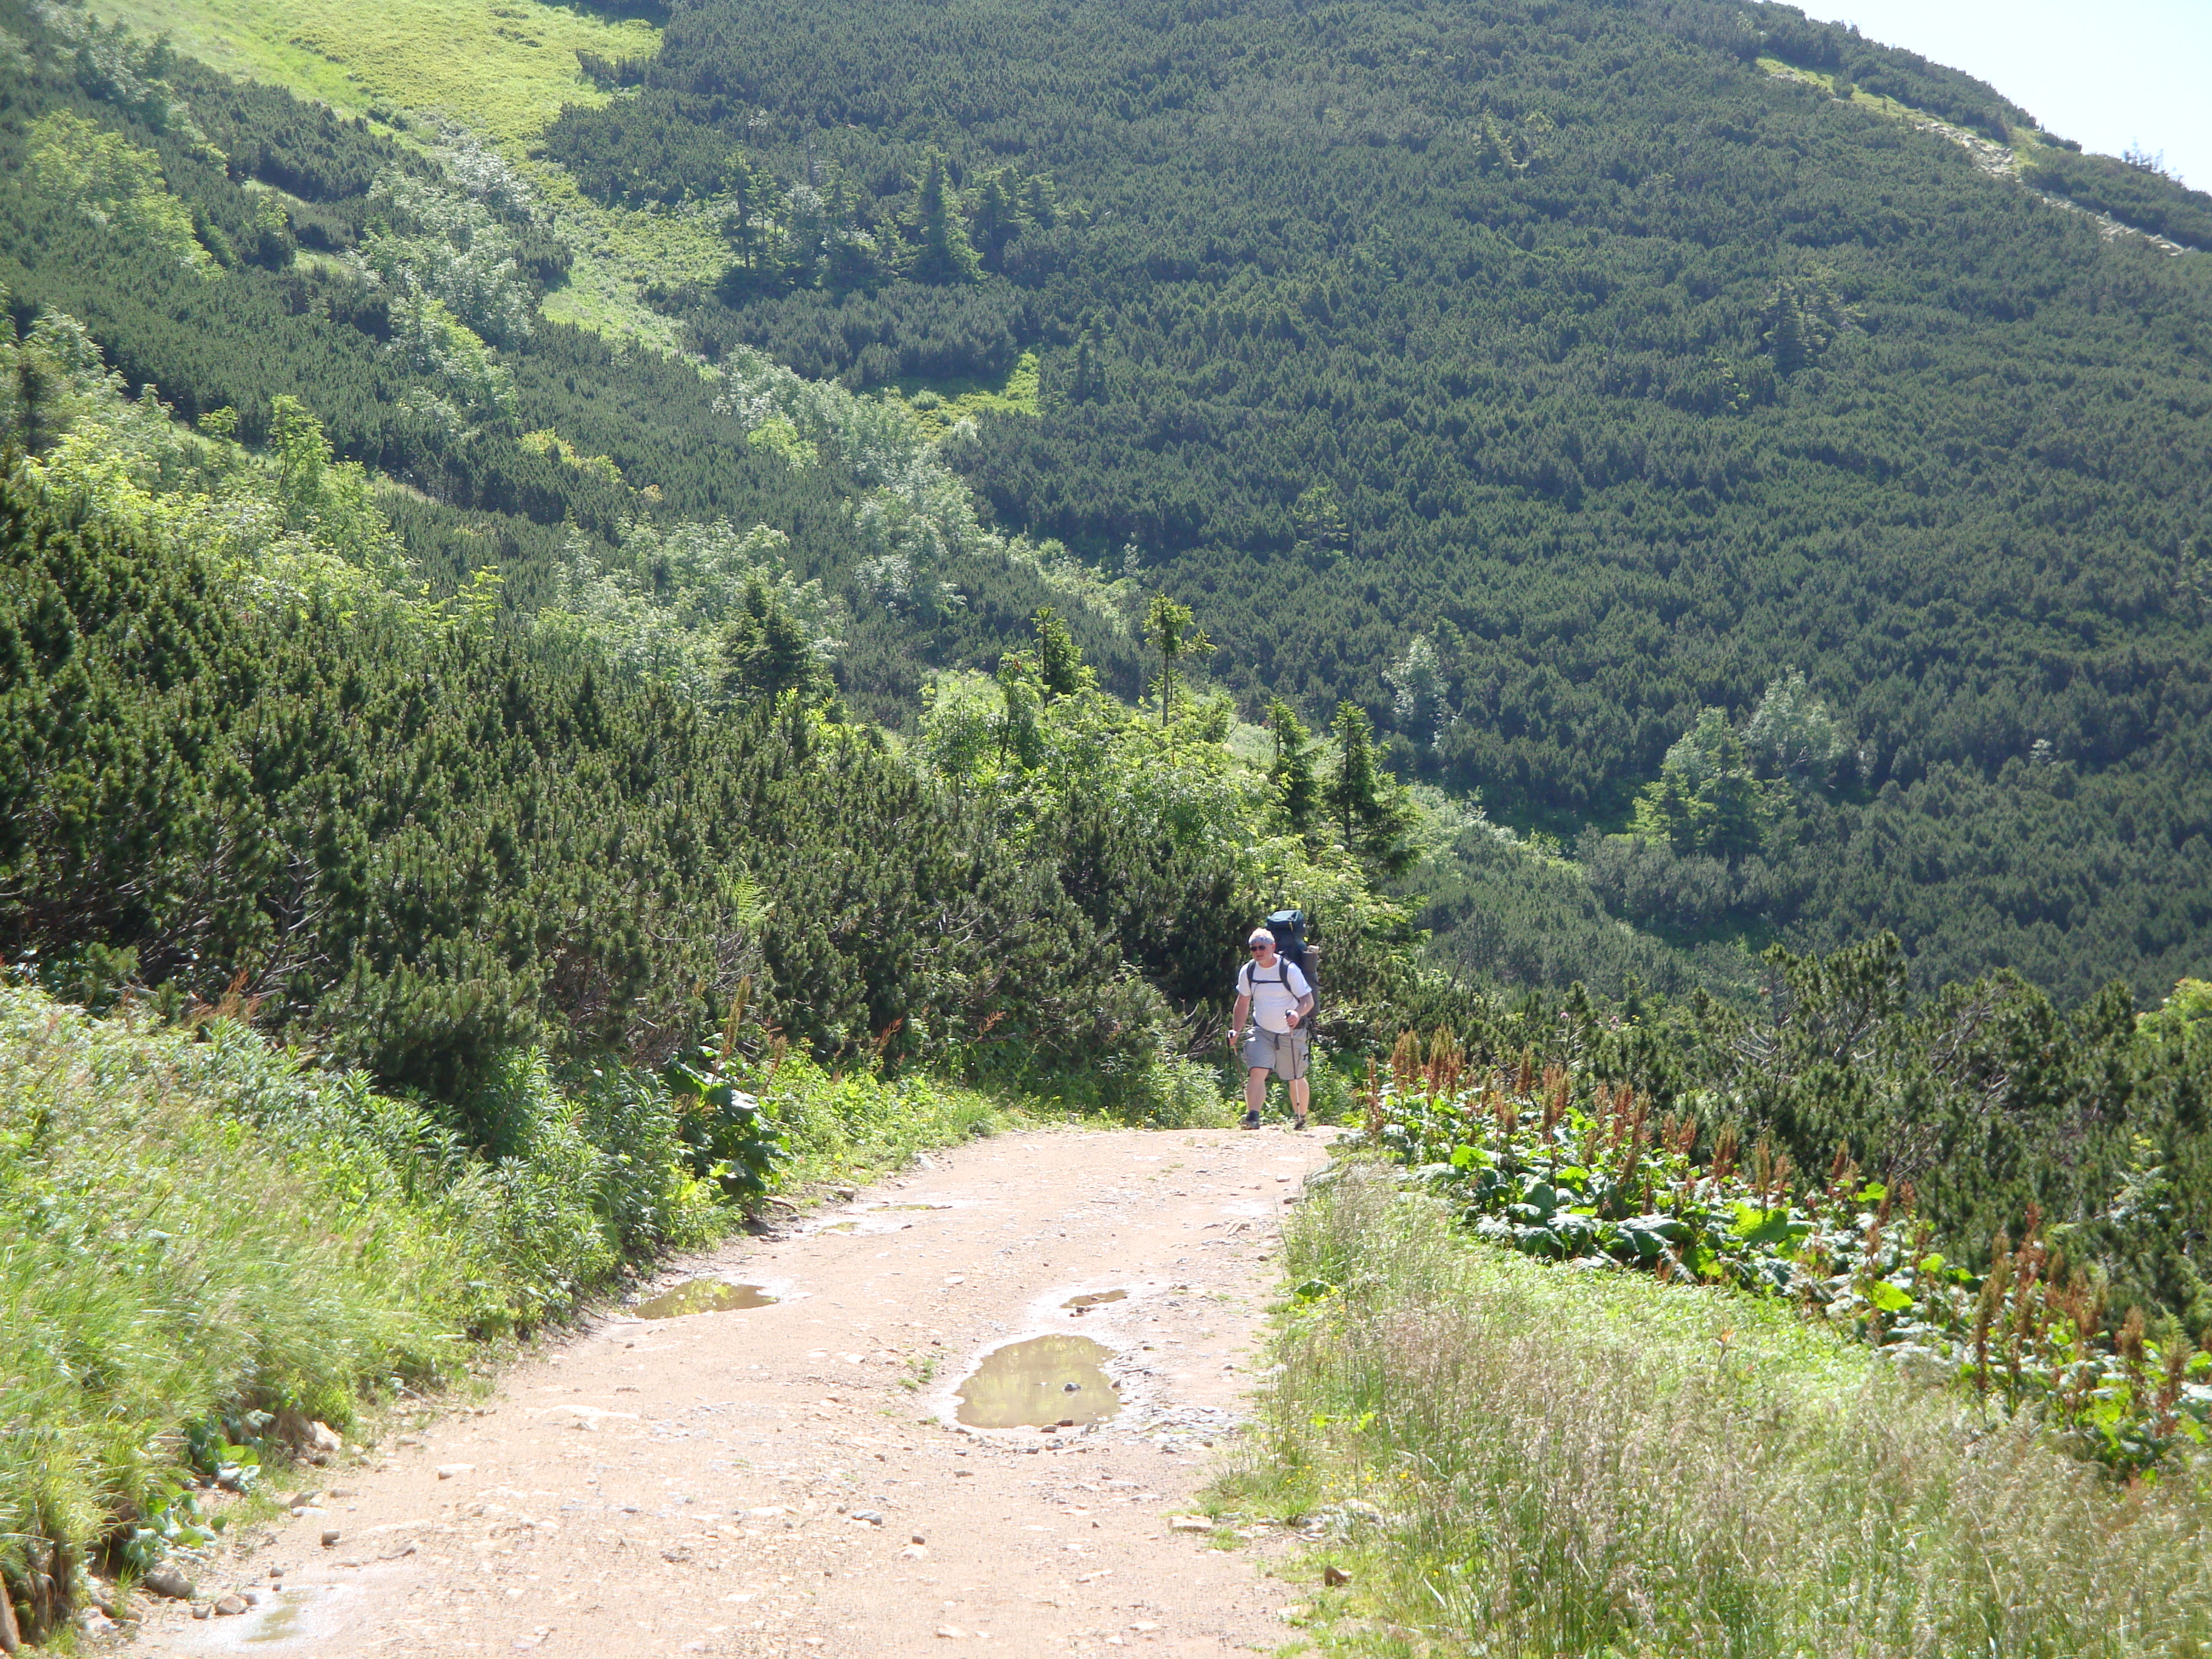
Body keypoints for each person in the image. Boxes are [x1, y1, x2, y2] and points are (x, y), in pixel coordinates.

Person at [1230, 927, 1314, 1130]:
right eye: (1254, 948)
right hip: (1262, 1030)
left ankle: (1301, 1118)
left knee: (1295, 1076)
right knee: (1257, 1070)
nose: (1258, 952)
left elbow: (1308, 1000)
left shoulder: (1289, 970)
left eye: (1262, 947)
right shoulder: (1248, 971)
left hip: (1291, 1032)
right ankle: (1253, 1117)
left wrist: (1297, 1014)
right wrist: (1236, 1031)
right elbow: (1243, 1002)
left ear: (1273, 947)